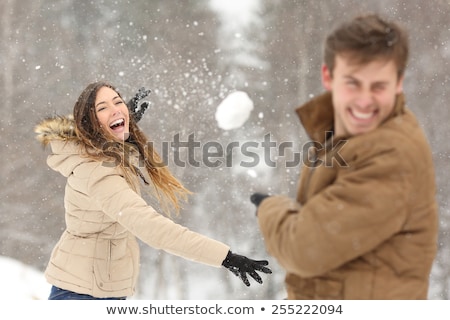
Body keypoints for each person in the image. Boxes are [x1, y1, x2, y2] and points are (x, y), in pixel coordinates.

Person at [251, 13, 438, 299]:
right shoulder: (343, 137)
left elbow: (304, 249)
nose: (364, 100)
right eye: (353, 83)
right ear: (328, 76)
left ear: (399, 82)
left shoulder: (392, 153)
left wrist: (269, 208)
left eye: (378, 86)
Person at [35, 81, 271, 300]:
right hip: (83, 293)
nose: (117, 109)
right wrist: (224, 256)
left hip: (96, 286)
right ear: (90, 122)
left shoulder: (102, 153)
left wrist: (118, 130)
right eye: (103, 108)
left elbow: (103, 144)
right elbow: (152, 228)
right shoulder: (99, 171)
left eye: (118, 102)